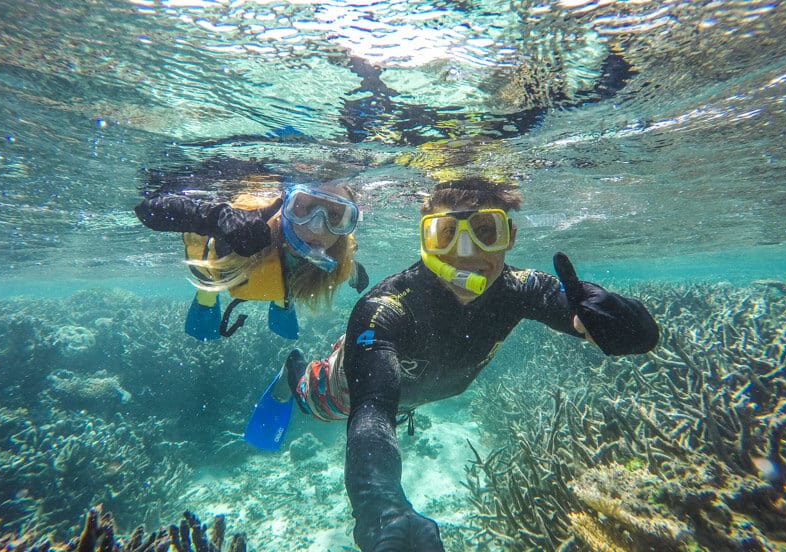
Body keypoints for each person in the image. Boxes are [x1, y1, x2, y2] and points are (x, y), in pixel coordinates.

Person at [273, 177, 659, 550]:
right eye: (444, 234)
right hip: (344, 388)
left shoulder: (522, 289)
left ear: (511, 238)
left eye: (486, 232)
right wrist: (381, 507)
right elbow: (373, 411)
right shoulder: (384, 309)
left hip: (414, 395)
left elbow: (627, 331)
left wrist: (624, 324)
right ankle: (293, 370)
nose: (465, 254)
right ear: (425, 240)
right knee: (313, 400)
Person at [134, 178, 369, 341]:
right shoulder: (244, 233)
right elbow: (147, 209)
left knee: (286, 290)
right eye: (305, 207)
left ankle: (281, 302)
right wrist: (215, 220)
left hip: (283, 283)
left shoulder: (339, 254)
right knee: (212, 279)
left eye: (336, 215)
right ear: (287, 206)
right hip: (226, 273)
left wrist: (352, 271)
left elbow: (345, 257)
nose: (318, 227)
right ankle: (207, 299)